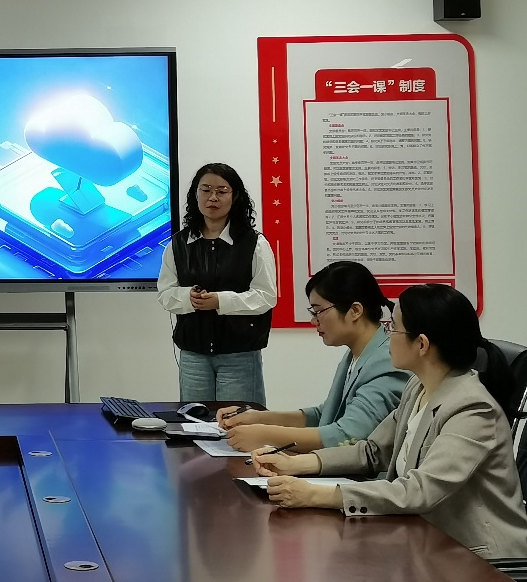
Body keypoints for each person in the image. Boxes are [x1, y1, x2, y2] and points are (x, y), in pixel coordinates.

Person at [252, 283, 527, 560]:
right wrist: (295, 464)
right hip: (427, 540)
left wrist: (315, 495)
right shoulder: (417, 388)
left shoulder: (472, 409)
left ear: (421, 344)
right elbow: (372, 451)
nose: (387, 335)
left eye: (393, 328)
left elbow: (420, 491)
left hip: (479, 558)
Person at [216, 260, 407, 452]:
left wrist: (265, 435)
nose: (314, 320)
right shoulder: (357, 354)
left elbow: (348, 435)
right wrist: (258, 418)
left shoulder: (387, 362)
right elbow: (325, 415)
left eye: (318, 311)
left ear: (355, 311)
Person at [156, 162, 276, 405]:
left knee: (238, 422)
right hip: (193, 355)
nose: (213, 198)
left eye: (221, 191)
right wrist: (188, 298)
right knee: (194, 421)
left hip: (239, 354)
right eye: (206, 190)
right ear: (195, 194)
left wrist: (220, 301)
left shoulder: (254, 243)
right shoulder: (178, 244)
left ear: (235, 196)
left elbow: (265, 296)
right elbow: (165, 293)